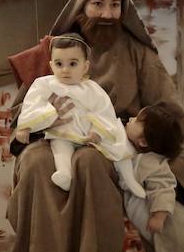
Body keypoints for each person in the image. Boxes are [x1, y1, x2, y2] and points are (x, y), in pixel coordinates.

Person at [6, 0, 184, 252]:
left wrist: (177, 156)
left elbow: (168, 110)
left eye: (115, 5)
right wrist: (36, 123)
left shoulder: (138, 53)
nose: (107, 13)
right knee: (38, 164)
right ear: (81, 6)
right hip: (51, 137)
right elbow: (21, 108)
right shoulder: (57, 50)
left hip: (111, 142)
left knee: (90, 163)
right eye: (98, 3)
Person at [14, 34, 145, 198]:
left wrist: (97, 131)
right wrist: (26, 126)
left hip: (89, 135)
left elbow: (103, 111)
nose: (65, 70)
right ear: (51, 65)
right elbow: (32, 103)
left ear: (85, 66)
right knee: (60, 146)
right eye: (59, 64)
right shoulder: (45, 84)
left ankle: (129, 179)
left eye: (73, 64)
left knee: (117, 144)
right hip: (63, 130)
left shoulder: (92, 89)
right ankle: (64, 173)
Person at [118, 106, 184, 252]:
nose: (130, 119)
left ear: (143, 141)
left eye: (136, 120)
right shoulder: (139, 156)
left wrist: (159, 216)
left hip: (169, 223)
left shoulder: (153, 163)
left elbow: (163, 188)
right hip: (152, 224)